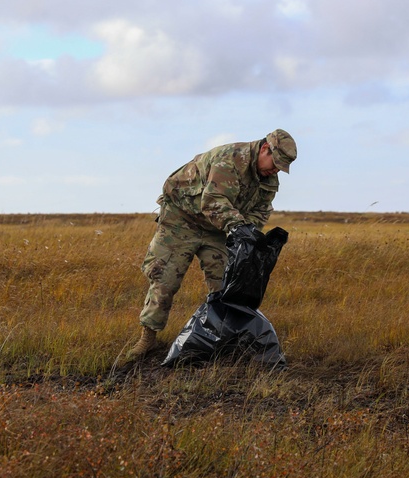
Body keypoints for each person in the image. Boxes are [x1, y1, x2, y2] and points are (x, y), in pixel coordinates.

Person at [125, 129, 297, 361]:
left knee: (227, 284)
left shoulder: (269, 179)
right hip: (182, 219)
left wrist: (249, 231)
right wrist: (239, 226)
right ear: (265, 149)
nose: (275, 170)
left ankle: (220, 339)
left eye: (280, 168)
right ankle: (148, 339)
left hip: (218, 227)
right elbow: (212, 201)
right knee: (165, 279)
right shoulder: (230, 160)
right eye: (275, 163)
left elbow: (261, 210)